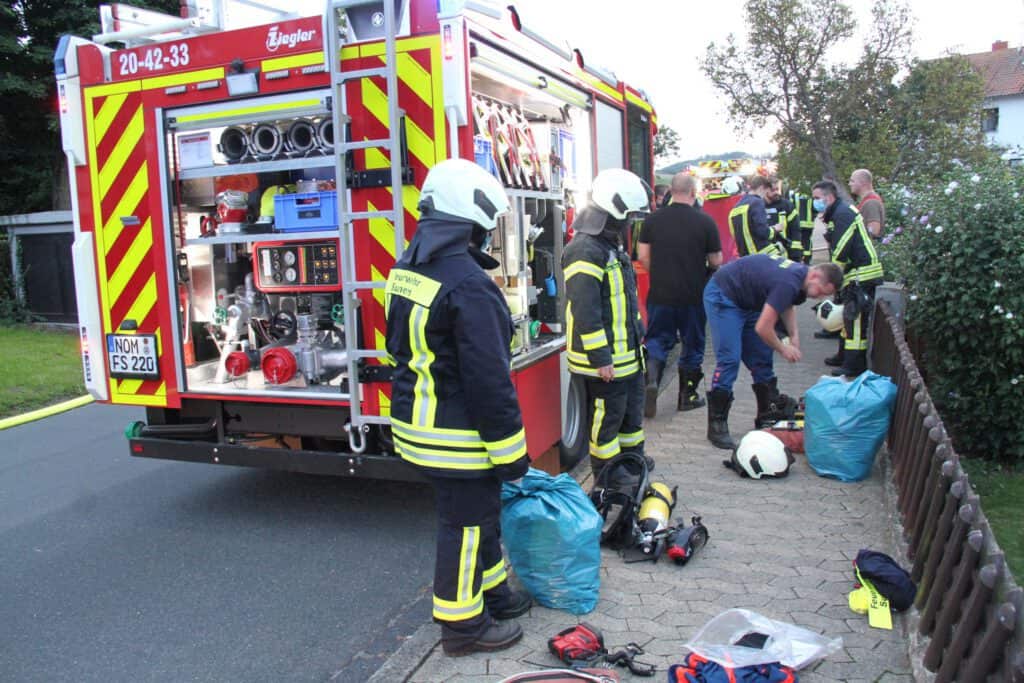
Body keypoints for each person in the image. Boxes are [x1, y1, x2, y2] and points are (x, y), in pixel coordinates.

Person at [385, 159, 532, 657]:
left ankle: (494, 594)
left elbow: (397, 349)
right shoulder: (470, 285)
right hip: (456, 436)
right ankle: (463, 627)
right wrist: (512, 455)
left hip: (416, 425)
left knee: (478, 517)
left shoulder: (406, 270)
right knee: (465, 527)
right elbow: (489, 384)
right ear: (473, 219)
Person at [564, 168, 652, 476]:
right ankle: (607, 477)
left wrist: (639, 337)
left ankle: (632, 464)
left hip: (626, 357)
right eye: (628, 216)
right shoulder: (584, 250)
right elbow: (585, 310)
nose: (629, 223)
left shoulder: (609, 245)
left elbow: (623, 301)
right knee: (607, 423)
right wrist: (601, 358)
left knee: (630, 419)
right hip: (605, 362)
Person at [703, 255, 843, 449]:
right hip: (724, 295)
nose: (819, 297)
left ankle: (766, 413)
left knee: (761, 358)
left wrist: (794, 335)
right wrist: (783, 348)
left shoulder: (799, 280)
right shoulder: (789, 281)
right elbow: (763, 328)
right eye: (821, 291)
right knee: (729, 359)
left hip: (749, 301)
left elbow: (786, 304)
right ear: (815, 276)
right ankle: (717, 424)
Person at [637, 172, 722, 418]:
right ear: (693, 193)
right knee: (693, 344)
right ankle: (687, 396)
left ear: (671, 192)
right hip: (693, 296)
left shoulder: (652, 220)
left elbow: (642, 256)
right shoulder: (705, 222)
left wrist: (659, 273)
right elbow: (716, 260)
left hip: (660, 294)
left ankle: (652, 380)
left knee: (657, 339)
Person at [812, 180, 885, 377]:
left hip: (862, 275)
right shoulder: (838, 213)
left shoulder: (842, 214)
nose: (815, 202)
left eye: (817, 198)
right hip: (855, 274)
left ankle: (854, 365)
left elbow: (841, 248)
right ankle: (844, 356)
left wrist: (831, 278)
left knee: (856, 322)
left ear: (829, 197)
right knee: (848, 318)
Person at [728, 175, 783, 257]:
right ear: (761, 188)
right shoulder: (757, 202)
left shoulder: (735, 209)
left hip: (744, 257)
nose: (765, 196)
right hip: (762, 255)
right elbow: (763, 232)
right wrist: (775, 229)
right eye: (766, 192)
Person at [765, 180, 803, 262]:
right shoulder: (759, 206)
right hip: (767, 254)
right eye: (772, 190)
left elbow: (795, 229)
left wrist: (795, 252)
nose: (776, 192)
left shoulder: (787, 205)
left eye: (777, 189)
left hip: (786, 253)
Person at [848, 169, 885, 239]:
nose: (849, 184)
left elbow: (873, 232)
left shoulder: (871, 202)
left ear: (863, 183)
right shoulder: (866, 201)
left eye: (852, 181)